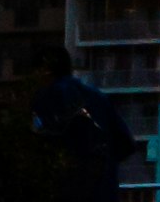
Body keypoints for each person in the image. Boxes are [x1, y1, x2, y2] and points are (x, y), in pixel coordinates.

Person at [31, 44, 136, 201]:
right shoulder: (97, 96)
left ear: (44, 70)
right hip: (103, 191)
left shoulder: (45, 98)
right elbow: (126, 143)